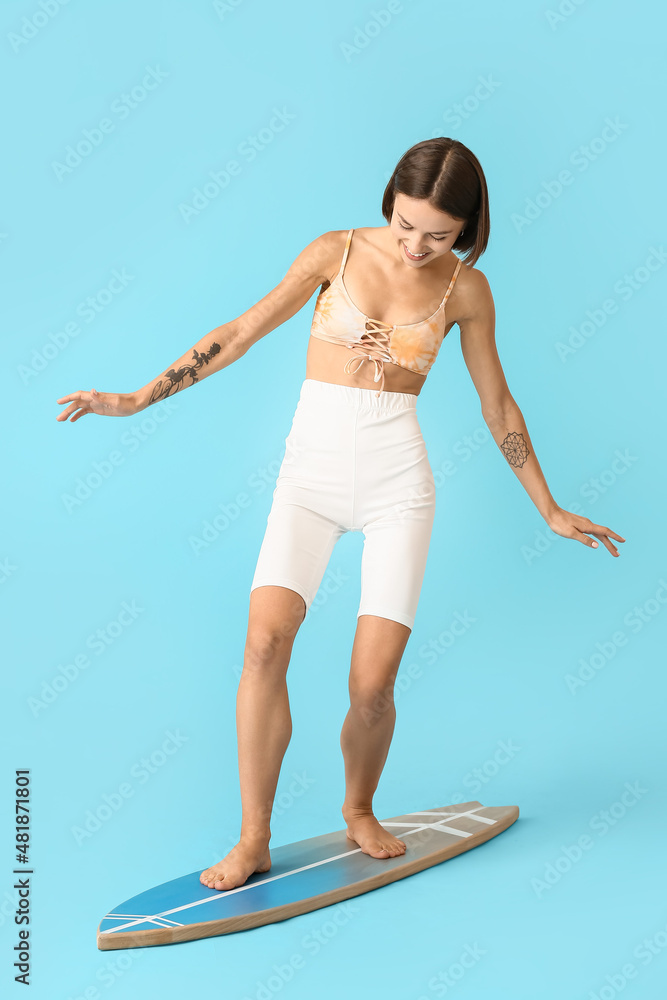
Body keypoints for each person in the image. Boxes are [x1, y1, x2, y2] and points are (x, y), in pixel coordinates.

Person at [56, 137, 625, 892]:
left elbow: (498, 405)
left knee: (371, 687)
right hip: (309, 482)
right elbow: (241, 330)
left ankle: (359, 809)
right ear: (388, 200)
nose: (417, 245)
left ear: (465, 231)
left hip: (398, 488)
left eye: (439, 234)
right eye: (405, 224)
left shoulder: (467, 291)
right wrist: (134, 398)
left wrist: (547, 508)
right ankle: (253, 837)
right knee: (263, 646)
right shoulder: (334, 251)